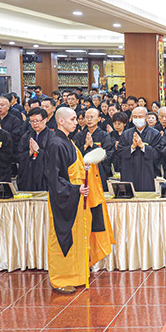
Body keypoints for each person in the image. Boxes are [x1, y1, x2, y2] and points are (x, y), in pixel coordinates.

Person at [45, 107, 114, 294]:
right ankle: (61, 278)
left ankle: (76, 274)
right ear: (61, 121)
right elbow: (54, 177)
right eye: (73, 119)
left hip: (76, 197)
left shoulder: (66, 140)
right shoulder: (56, 143)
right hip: (66, 199)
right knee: (63, 237)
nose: (77, 122)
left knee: (78, 236)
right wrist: (75, 189)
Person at [116, 107, 163, 191]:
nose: (137, 119)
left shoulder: (155, 134)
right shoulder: (126, 134)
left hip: (148, 173)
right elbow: (119, 152)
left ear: (146, 118)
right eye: (135, 117)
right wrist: (132, 147)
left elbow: (158, 154)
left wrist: (143, 146)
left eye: (140, 116)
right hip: (130, 172)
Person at [74, 108, 116, 190]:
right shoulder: (79, 136)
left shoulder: (104, 135)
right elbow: (74, 154)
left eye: (92, 117)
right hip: (83, 173)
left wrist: (93, 146)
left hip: (99, 173)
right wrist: (85, 147)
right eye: (87, 117)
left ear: (99, 119)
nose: (89, 119)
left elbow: (109, 154)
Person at [17, 108, 52, 191]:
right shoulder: (26, 136)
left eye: (37, 121)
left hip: (44, 177)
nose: (35, 124)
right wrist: (29, 153)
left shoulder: (52, 137)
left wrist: (38, 151)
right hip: (28, 175)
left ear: (45, 120)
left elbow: (54, 158)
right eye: (32, 121)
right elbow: (19, 156)